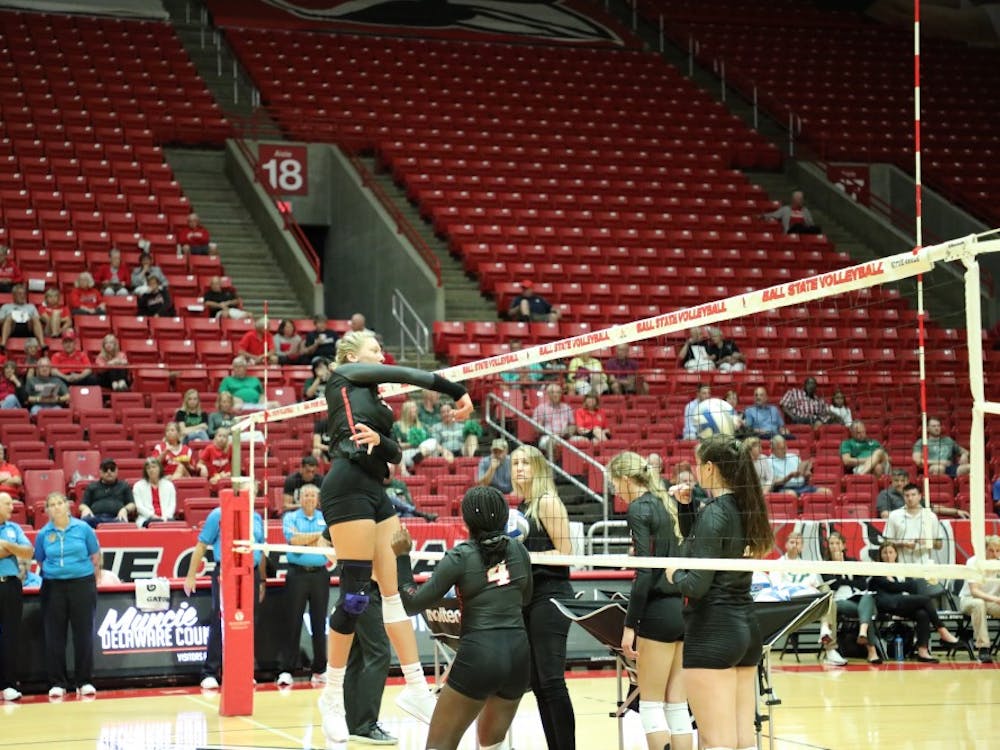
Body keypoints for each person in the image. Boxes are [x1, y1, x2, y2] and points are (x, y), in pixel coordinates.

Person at [314, 329, 473, 744]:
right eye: (373, 349)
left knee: (393, 594)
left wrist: (380, 439)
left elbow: (395, 454)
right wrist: (457, 391)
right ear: (352, 354)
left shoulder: (375, 399)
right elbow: (406, 372)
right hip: (345, 487)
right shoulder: (343, 375)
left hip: (374, 490)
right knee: (353, 595)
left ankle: (417, 689)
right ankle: (330, 698)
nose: (380, 355)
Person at [392, 486, 533, 750]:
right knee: (491, 744)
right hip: (518, 657)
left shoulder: (461, 556)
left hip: (480, 655)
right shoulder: (519, 551)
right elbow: (525, 599)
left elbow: (412, 603)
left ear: (466, 521)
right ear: (504, 516)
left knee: (439, 745)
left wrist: (402, 557)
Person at [661, 434, 773, 750]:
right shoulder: (746, 506)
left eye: (698, 465)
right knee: (742, 740)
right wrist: (686, 510)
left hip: (713, 630)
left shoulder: (715, 512)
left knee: (716, 742)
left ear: (709, 467)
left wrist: (673, 573)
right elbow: (711, 545)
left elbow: (696, 583)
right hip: (746, 630)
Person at [607, 453, 692, 750]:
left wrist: (630, 625)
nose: (616, 492)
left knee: (652, 704)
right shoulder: (666, 503)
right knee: (678, 705)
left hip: (657, 612)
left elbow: (644, 571)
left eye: (616, 484)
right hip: (682, 611)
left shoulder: (640, 508)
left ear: (627, 479)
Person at [510, 444, 575, 750]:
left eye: (525, 462)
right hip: (530, 598)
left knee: (551, 680)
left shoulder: (547, 502)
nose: (519, 468)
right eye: (515, 463)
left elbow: (566, 554)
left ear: (538, 468)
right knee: (536, 682)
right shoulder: (523, 507)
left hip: (551, 596)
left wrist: (525, 556)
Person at [183, 504, 266, 689]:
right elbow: (202, 544)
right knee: (219, 620)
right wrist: (191, 576)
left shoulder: (256, 517)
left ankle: (243, 671)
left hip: (251, 573)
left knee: (247, 622)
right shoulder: (218, 515)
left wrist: (262, 581)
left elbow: (260, 549)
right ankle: (210, 671)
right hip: (226, 572)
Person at [34, 492, 101, 698]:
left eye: (59, 503)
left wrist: (92, 579)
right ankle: (57, 682)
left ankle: (84, 680)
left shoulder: (83, 528)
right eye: (51, 504)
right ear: (47, 510)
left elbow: (96, 556)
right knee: (55, 635)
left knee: (83, 633)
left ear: (68, 506)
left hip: (82, 584)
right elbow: (40, 560)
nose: (56, 507)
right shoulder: (44, 534)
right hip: (53, 586)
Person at [867, 542, 959, 663]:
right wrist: (901, 586)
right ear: (880, 555)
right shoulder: (878, 570)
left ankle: (923, 651)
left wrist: (899, 586)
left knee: (922, 613)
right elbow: (891, 587)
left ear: (896, 554)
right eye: (885, 552)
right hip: (887, 604)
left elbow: (912, 586)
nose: (888, 555)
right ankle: (942, 631)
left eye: (890, 552)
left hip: (902, 604)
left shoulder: (902, 569)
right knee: (925, 600)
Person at [277, 483, 331, 686]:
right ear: (299, 498)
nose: (309, 498)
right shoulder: (290, 518)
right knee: (292, 623)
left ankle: (319, 669)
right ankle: (286, 670)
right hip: (297, 575)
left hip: (319, 575)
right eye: (305, 495)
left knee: (319, 623)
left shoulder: (324, 518)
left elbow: (328, 542)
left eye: (312, 495)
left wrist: (306, 539)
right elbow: (295, 541)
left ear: (318, 499)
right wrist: (317, 537)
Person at [767, 531, 846, 666]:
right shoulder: (778, 564)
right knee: (828, 600)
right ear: (786, 545)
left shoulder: (807, 565)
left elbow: (815, 585)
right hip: (792, 603)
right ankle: (828, 638)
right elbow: (777, 588)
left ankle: (827, 636)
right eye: (792, 542)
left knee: (827, 595)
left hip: (810, 601)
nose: (794, 545)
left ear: (802, 546)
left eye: (798, 543)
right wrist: (801, 588)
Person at [344, 578, 396, 744]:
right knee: (379, 654)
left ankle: (353, 725)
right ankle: (366, 726)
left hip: (351, 588)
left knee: (357, 656)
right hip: (367, 590)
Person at [826, 531, 882, 664]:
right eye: (831, 544)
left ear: (843, 545)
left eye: (837, 543)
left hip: (857, 598)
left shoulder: (852, 562)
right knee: (865, 614)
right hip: (839, 601)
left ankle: (863, 633)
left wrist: (844, 580)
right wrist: (839, 570)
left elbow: (863, 584)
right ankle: (871, 651)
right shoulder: (826, 565)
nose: (834, 546)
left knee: (867, 598)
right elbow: (833, 586)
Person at [0, 491, 33, 702]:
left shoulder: (14, 528)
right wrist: (13, 550)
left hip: (10, 585)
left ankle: (9, 685)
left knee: (10, 637)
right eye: (7, 504)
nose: (12, 507)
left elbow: (28, 552)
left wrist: (7, 546)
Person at [958, 535, 1000, 664]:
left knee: (982, 603)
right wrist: (995, 598)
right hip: (970, 599)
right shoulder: (973, 562)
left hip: (993, 602)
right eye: (991, 550)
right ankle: (983, 648)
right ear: (984, 550)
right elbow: (974, 591)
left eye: (998, 550)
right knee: (979, 603)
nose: (995, 554)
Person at [78, 458, 135, 527]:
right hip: (95, 518)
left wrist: (125, 509)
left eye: (112, 469)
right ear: (100, 472)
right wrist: (85, 509)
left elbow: (132, 504)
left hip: (117, 518)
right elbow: (82, 505)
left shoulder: (124, 485)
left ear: (117, 471)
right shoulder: (92, 486)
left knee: (124, 524)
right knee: (83, 523)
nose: (109, 472)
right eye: (105, 469)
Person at [532, 383, 577, 456]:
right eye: (553, 392)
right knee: (552, 442)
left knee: (581, 440)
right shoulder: (541, 408)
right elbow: (536, 427)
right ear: (548, 394)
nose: (556, 395)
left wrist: (567, 431)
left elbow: (573, 425)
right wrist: (552, 433)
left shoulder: (566, 408)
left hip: (565, 436)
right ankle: (554, 466)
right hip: (547, 437)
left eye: (558, 392)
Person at [132, 457, 177, 528]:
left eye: (154, 467)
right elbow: (139, 507)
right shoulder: (138, 486)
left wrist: (164, 518)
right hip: (147, 518)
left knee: (174, 524)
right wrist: (153, 516)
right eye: (148, 468)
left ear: (160, 468)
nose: (151, 470)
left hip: (167, 518)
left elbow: (172, 505)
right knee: (154, 523)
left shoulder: (169, 485)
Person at [0, 283, 46, 349]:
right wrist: (9, 317)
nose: (22, 296)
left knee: (34, 318)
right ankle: (3, 343)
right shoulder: (6, 307)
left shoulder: (31, 306)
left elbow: (38, 319)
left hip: (28, 327)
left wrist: (30, 318)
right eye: (19, 294)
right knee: (9, 318)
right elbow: (0, 321)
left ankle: (42, 343)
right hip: (12, 327)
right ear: (14, 295)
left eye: (24, 294)